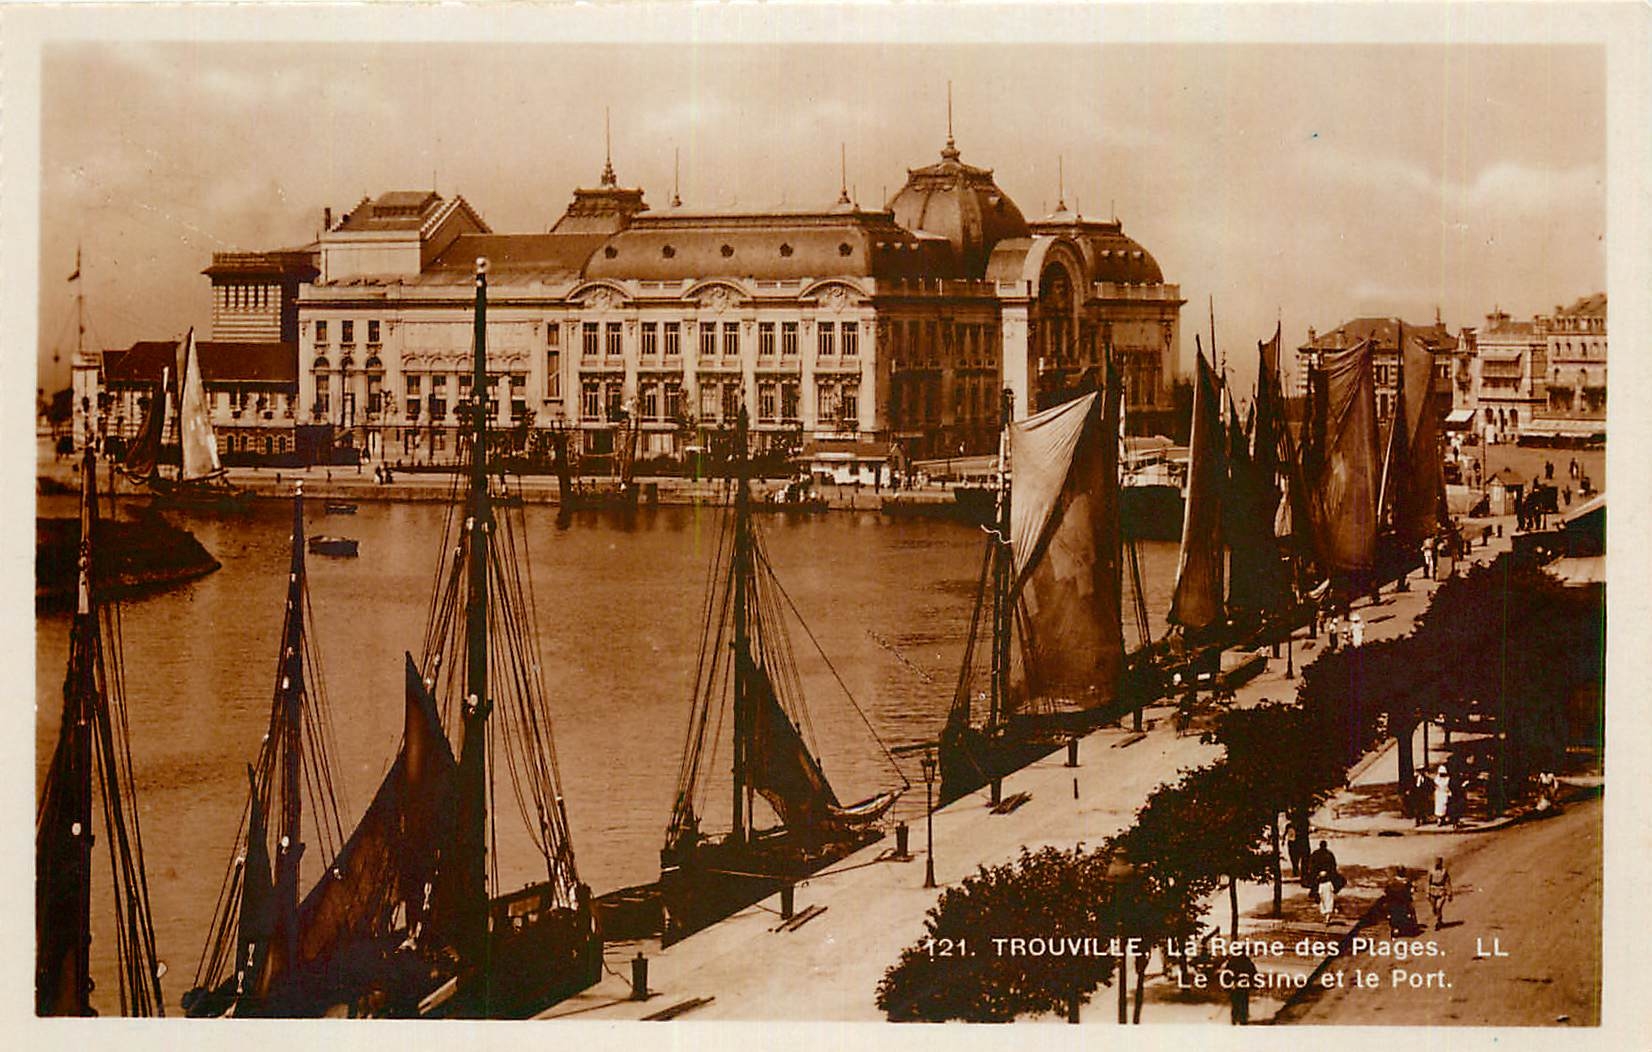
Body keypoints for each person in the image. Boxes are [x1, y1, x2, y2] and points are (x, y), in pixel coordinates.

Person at [1217, 950, 1258, 1024]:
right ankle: (1243, 1019)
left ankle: (1235, 1018)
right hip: (1244, 986)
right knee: (1243, 1002)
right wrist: (1254, 985)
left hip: (1235, 985)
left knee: (1235, 1002)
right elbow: (1253, 974)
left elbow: (1227, 974)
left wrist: (1227, 986)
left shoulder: (1232, 961)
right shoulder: (1247, 962)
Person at [1382, 869, 1422, 937]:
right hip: (1403, 901)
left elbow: (1386, 891)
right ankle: (1411, 926)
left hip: (1394, 901)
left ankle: (1395, 926)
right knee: (1410, 911)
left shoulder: (1392, 881)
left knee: (1391, 913)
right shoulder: (1406, 881)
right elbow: (1410, 891)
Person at [1426, 857, 1453, 929]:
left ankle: (1438, 921)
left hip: (1441, 891)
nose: (1437, 863)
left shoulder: (1444, 871)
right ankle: (1438, 917)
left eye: (1439, 862)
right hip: (1432, 891)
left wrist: (1449, 893)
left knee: (1438, 907)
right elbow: (1428, 882)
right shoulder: (1431, 871)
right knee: (1434, 908)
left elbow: (1448, 882)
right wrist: (1427, 892)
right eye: (1436, 862)